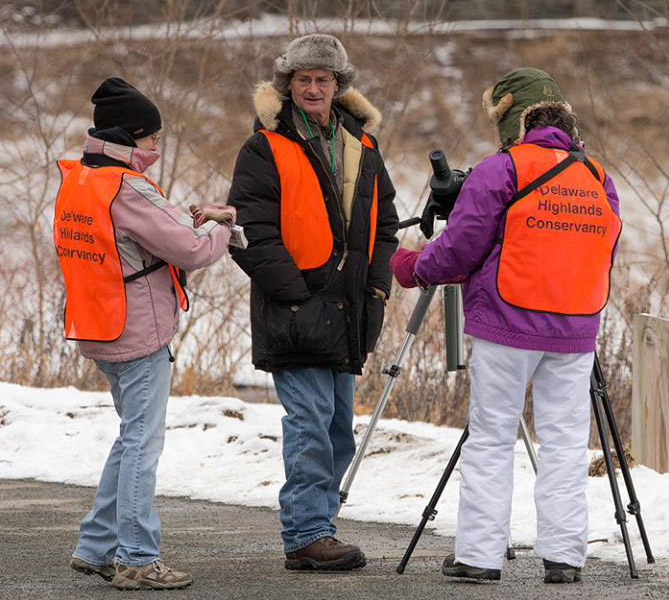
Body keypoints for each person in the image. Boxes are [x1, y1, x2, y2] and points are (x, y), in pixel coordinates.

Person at [390, 67, 622, 584]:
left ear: (515, 122)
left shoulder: (503, 169)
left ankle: (479, 556)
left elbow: (462, 246)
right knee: (564, 443)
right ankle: (564, 557)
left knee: (492, 438)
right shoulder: (597, 176)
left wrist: (413, 266)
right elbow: (604, 248)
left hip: (507, 322)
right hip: (576, 326)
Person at [55, 77, 235, 590]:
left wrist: (188, 221)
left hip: (97, 323)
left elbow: (144, 232)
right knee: (141, 442)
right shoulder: (128, 186)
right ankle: (136, 556)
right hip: (138, 330)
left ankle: (95, 546)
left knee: (129, 435)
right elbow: (191, 250)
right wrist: (224, 223)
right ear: (132, 137)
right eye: (153, 139)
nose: (157, 147)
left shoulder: (81, 177)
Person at [226, 34, 398, 571]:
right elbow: (248, 228)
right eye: (304, 79)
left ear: (338, 86)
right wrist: (294, 292)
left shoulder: (362, 147)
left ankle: (318, 527)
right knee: (309, 422)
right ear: (289, 86)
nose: (314, 88)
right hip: (296, 311)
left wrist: (375, 286)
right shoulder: (264, 146)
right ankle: (305, 533)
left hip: (349, 311)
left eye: (324, 79)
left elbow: (385, 223)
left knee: (337, 427)